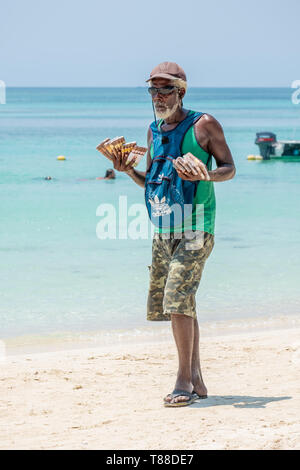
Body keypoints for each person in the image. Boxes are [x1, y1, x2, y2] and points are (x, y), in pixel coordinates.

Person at [111, 62, 236, 407]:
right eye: (153, 90)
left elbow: (229, 167)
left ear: (181, 91)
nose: (158, 96)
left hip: (197, 226)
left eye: (165, 89)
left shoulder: (204, 124)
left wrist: (206, 177)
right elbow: (151, 181)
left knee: (177, 299)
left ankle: (182, 380)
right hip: (164, 227)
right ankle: (196, 377)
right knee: (182, 302)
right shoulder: (154, 130)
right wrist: (128, 171)